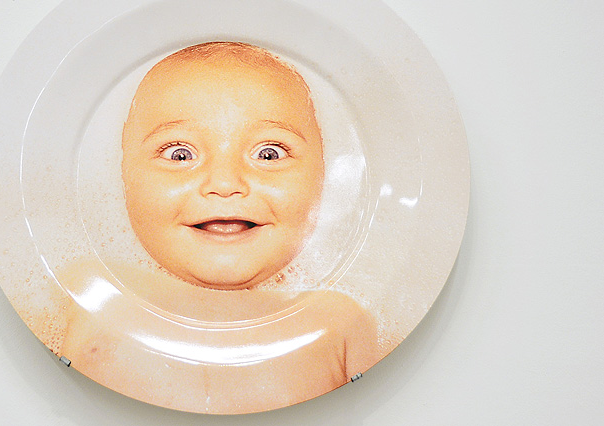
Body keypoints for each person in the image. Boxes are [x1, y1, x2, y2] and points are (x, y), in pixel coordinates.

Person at [60, 42, 379, 413]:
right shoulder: (84, 294)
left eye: (269, 153)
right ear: (122, 175)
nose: (225, 183)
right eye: (180, 154)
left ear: (324, 175)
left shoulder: (340, 323)